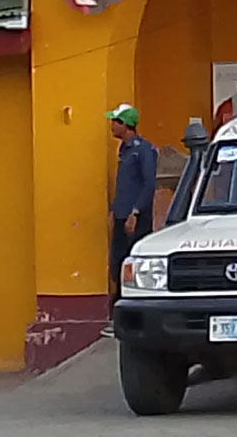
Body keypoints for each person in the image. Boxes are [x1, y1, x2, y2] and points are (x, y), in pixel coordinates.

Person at [102, 103, 158, 338]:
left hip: (135, 218)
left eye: (115, 121)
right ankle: (119, 316)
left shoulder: (143, 150)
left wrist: (135, 212)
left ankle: (128, 320)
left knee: (131, 267)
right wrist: (116, 210)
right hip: (122, 215)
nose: (112, 125)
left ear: (125, 124)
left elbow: (148, 184)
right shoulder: (124, 150)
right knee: (116, 264)